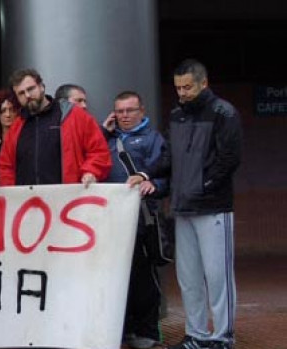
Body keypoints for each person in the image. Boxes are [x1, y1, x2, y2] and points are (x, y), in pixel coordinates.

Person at [129, 59, 241, 349]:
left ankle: (223, 337)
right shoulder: (178, 115)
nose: (182, 92)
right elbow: (168, 158)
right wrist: (146, 173)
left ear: (204, 83)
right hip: (183, 208)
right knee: (189, 277)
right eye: (178, 87)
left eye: (187, 87)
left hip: (213, 207)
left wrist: (201, 187)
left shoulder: (223, 113)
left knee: (218, 278)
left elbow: (228, 160)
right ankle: (197, 334)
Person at [102, 91, 168, 349]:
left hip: (142, 220)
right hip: (111, 222)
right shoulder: (107, 139)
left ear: (142, 110)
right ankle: (123, 329)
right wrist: (104, 133)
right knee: (115, 277)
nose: (125, 116)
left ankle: (148, 332)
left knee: (144, 278)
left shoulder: (154, 139)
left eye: (130, 110)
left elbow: (165, 174)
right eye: (120, 111)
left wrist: (155, 185)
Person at [0, 68, 111, 186]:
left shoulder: (74, 115)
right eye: (21, 93)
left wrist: (91, 172)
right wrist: (11, 194)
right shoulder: (17, 127)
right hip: (28, 201)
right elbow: (5, 165)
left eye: (31, 89)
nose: (27, 95)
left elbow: (99, 151)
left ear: (42, 86)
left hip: (67, 199)